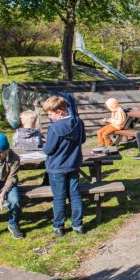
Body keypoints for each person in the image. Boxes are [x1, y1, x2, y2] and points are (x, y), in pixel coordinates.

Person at [42, 96, 87, 236]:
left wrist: (44, 144)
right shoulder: (78, 122)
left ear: (60, 112)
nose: (49, 117)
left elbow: (49, 149)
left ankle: (59, 226)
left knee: (59, 197)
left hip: (57, 167)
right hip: (73, 165)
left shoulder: (55, 128)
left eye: (50, 114)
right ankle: (78, 225)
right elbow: (83, 139)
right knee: (75, 195)